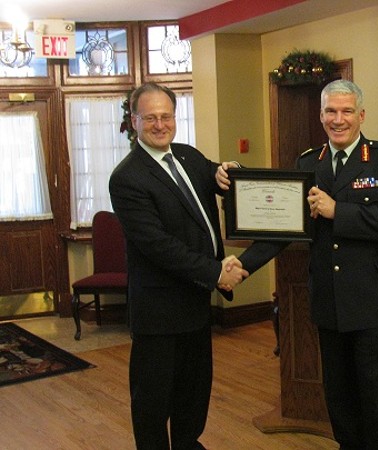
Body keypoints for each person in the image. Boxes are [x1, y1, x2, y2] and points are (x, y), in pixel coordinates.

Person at [219, 79, 378, 449]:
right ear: (320, 114)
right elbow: (283, 228)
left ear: (361, 115)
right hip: (328, 296)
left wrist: (338, 210)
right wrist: (243, 266)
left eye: (345, 112)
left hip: (371, 297)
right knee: (338, 395)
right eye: (330, 111)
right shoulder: (309, 163)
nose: (338, 120)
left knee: (375, 394)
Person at [109, 82, 248, 450]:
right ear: (134, 121)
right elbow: (158, 246)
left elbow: (217, 176)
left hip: (195, 306)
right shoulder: (127, 177)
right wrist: (216, 271)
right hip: (158, 312)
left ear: (175, 117)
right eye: (150, 117)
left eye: (166, 116)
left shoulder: (187, 156)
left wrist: (230, 170)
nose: (160, 124)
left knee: (193, 394)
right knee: (153, 403)